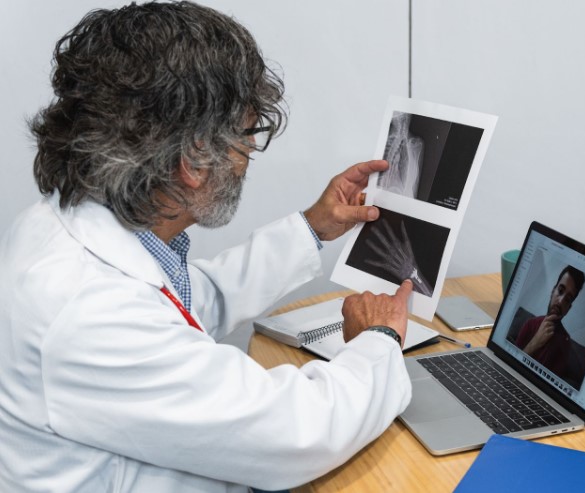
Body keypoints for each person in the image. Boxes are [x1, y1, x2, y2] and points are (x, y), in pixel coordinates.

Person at [0, 2, 414, 492]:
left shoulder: (61, 227)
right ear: (194, 160)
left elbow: (187, 302)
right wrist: (378, 342)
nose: (245, 160)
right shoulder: (89, 310)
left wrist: (312, 228)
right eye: (246, 137)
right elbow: (298, 435)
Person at [514, 266, 585, 377]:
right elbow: (510, 363)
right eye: (560, 291)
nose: (561, 301)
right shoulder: (530, 324)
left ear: (568, 308)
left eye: (567, 299)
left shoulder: (564, 344)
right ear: (553, 291)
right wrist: (535, 342)